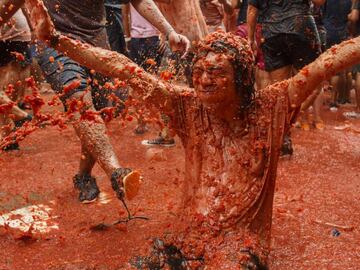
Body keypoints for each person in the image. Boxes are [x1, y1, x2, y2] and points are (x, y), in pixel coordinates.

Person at [0, 0, 190, 204]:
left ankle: (83, 176)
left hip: (97, 42)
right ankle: (116, 172)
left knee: (100, 114)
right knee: (79, 100)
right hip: (55, 43)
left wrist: (169, 31)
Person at [247, 0, 324, 155]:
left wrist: (250, 39)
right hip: (300, 27)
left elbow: (251, 10)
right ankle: (290, 118)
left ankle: (283, 137)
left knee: (280, 90)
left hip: (271, 32)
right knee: (316, 83)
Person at [0, 9, 33, 151]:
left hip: (6, 33)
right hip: (21, 30)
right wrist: (32, 27)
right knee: (8, 87)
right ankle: (10, 138)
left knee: (5, 87)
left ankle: (18, 115)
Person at [322, 0, 353, 106]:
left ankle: (332, 100)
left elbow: (321, 13)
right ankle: (340, 98)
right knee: (342, 70)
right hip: (342, 33)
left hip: (327, 31)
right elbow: (351, 17)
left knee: (329, 67)